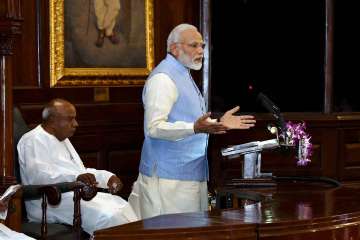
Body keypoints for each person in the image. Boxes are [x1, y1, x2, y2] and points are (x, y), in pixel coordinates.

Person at [129, 23, 256, 219]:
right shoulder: (163, 79)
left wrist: (218, 122)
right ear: (174, 48)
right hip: (167, 180)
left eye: (202, 46)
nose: (200, 51)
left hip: (190, 175)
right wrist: (195, 128)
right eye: (194, 45)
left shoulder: (183, 74)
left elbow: (190, 121)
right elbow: (154, 128)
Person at [17, 99, 138, 235]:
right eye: (70, 119)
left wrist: (107, 177)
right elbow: (39, 178)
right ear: (52, 121)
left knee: (124, 208)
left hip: (73, 196)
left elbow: (80, 172)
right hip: (51, 202)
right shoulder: (32, 140)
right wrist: (76, 177)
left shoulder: (62, 138)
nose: (76, 124)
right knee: (110, 217)